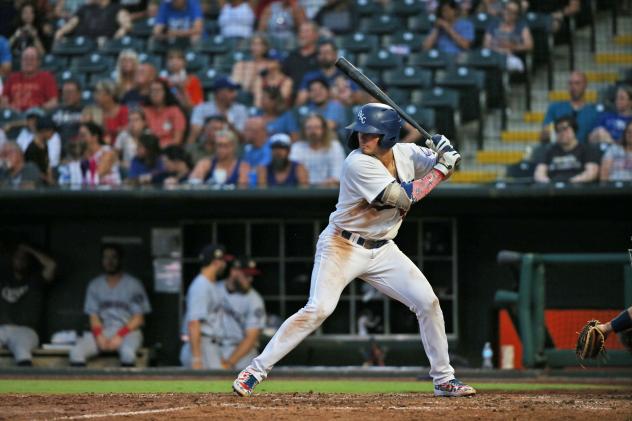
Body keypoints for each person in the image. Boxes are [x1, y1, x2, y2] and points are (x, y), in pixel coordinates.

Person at [233, 103, 475, 397]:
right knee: (318, 309)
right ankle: (254, 371)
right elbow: (402, 197)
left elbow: (444, 166)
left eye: (370, 133)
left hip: (383, 248)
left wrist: (445, 150)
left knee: (428, 303)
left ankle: (443, 379)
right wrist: (442, 167)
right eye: (360, 132)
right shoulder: (357, 163)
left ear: (387, 135)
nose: (362, 137)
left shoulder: (408, 153)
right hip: (342, 244)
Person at [69, 244, 151, 367]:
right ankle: (83, 385)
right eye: (106, 258)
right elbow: (93, 316)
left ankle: (126, 386)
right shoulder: (95, 285)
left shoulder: (133, 284)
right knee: (76, 352)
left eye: (113, 257)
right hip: (104, 331)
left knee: (127, 353)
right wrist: (99, 336)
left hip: (128, 331)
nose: (109, 261)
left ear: (120, 260)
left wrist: (119, 335)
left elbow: (138, 319)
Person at [0, 243, 56, 365]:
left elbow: (51, 265)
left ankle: (25, 381)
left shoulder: (35, 280)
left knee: (22, 351)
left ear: (29, 262)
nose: (20, 261)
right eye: (17, 258)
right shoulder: (3, 279)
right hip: (3, 329)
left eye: (24, 259)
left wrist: (29, 249)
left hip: (26, 330)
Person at [180, 244, 232, 369]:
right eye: (223, 261)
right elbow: (194, 323)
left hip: (211, 345)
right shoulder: (201, 285)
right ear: (216, 262)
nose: (225, 265)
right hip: (202, 346)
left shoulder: (210, 284)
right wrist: (197, 358)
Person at [217, 256, 266, 370]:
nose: (250, 279)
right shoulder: (214, 289)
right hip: (215, 347)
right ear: (234, 272)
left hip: (242, 352)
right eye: (246, 275)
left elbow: (251, 338)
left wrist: (229, 363)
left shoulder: (254, 299)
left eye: (251, 276)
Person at [534, 115, 600, 184]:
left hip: (578, 189)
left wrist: (570, 183)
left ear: (574, 130)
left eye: (565, 129)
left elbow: (592, 173)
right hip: (553, 190)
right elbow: (539, 173)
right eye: (558, 130)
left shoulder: (587, 149)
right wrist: (549, 183)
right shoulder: (549, 151)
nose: (561, 133)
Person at [541, 71, 599, 144]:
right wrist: (547, 132)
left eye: (577, 83)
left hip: (584, 152)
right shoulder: (555, 108)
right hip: (559, 150)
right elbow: (544, 135)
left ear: (585, 85)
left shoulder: (593, 112)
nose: (573, 87)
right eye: (570, 84)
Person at [296, 40, 358, 106]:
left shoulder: (345, 75)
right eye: (321, 53)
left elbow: (358, 97)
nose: (324, 55)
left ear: (335, 54)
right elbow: (299, 102)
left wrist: (343, 90)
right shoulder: (310, 76)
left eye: (327, 52)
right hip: (314, 111)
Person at [188, 77, 249, 144]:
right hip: (206, 148)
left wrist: (229, 124)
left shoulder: (240, 110)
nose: (235, 94)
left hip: (232, 149)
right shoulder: (201, 109)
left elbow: (243, 139)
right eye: (230, 91)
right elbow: (194, 133)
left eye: (235, 91)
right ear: (218, 93)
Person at [289, 113, 345, 187]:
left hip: (328, 192)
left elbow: (338, 176)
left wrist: (320, 186)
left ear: (324, 129)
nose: (313, 131)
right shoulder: (297, 147)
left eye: (317, 127)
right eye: (309, 128)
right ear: (304, 130)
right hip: (302, 193)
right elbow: (293, 175)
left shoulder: (335, 146)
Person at [1, 47, 58, 112]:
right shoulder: (12, 78)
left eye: (32, 59)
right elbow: (3, 101)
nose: (28, 62)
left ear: (38, 62)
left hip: (36, 115)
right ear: (21, 61)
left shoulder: (46, 77)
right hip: (15, 116)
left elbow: (53, 102)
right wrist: (11, 109)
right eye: (25, 59)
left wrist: (38, 109)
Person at [483, 0, 533, 73]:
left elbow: (529, 45)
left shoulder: (521, 26)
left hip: (511, 57)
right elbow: (486, 44)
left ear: (517, 15)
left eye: (512, 12)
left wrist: (513, 47)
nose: (508, 13)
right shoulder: (494, 23)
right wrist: (499, 50)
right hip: (493, 55)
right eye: (507, 9)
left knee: (512, 63)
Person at [54, 0, 131, 41]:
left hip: (104, 44)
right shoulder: (84, 8)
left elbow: (127, 25)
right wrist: (61, 31)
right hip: (82, 43)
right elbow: (72, 23)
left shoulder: (116, 8)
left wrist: (114, 39)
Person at [143, 79, 187, 148]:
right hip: (148, 149)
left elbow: (177, 140)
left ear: (165, 92)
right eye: (152, 91)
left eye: (158, 90)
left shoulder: (175, 111)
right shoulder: (145, 111)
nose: (155, 93)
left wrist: (161, 147)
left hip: (169, 150)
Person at [281, 21, 320, 96]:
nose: (302, 35)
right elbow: (283, 77)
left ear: (316, 35)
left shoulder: (321, 55)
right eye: (301, 32)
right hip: (292, 97)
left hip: (315, 97)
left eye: (306, 32)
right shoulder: (291, 56)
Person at [79, 121, 122, 186]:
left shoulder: (107, 152)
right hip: (92, 190)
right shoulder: (84, 154)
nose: (80, 139)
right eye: (80, 135)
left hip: (112, 192)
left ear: (95, 137)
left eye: (83, 135)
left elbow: (96, 174)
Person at [24, 115, 59, 185]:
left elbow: (47, 163)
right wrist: (48, 180)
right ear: (44, 131)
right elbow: (33, 170)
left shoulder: (44, 144)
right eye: (51, 132)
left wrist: (50, 176)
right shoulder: (32, 149)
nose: (52, 134)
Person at [94, 79, 129, 145]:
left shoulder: (123, 110)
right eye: (95, 93)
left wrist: (110, 131)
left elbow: (127, 130)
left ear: (110, 96)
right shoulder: (94, 112)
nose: (95, 96)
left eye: (99, 93)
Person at [51, 79, 84, 144]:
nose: (67, 95)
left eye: (71, 92)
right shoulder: (54, 112)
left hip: (78, 148)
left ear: (79, 94)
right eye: (65, 92)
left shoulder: (86, 111)